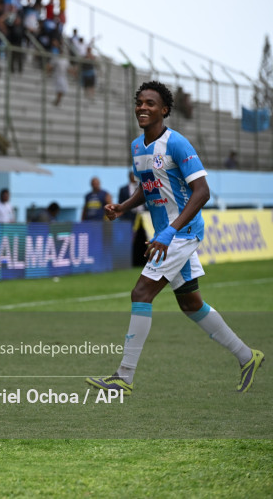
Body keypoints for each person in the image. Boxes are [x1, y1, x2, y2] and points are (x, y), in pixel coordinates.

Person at [85, 81, 264, 395]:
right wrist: (123, 207)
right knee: (191, 304)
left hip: (181, 233)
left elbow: (202, 192)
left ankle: (123, 377)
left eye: (150, 103)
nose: (143, 107)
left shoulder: (177, 143)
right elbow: (148, 185)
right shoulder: (137, 147)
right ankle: (247, 356)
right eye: (139, 102)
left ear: (164, 110)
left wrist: (169, 232)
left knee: (141, 293)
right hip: (166, 235)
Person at [119, 171, 149, 267]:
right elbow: (121, 203)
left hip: (144, 217)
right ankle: (132, 261)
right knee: (132, 240)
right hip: (131, 218)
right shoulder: (123, 189)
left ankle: (146, 260)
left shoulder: (144, 187)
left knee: (145, 238)